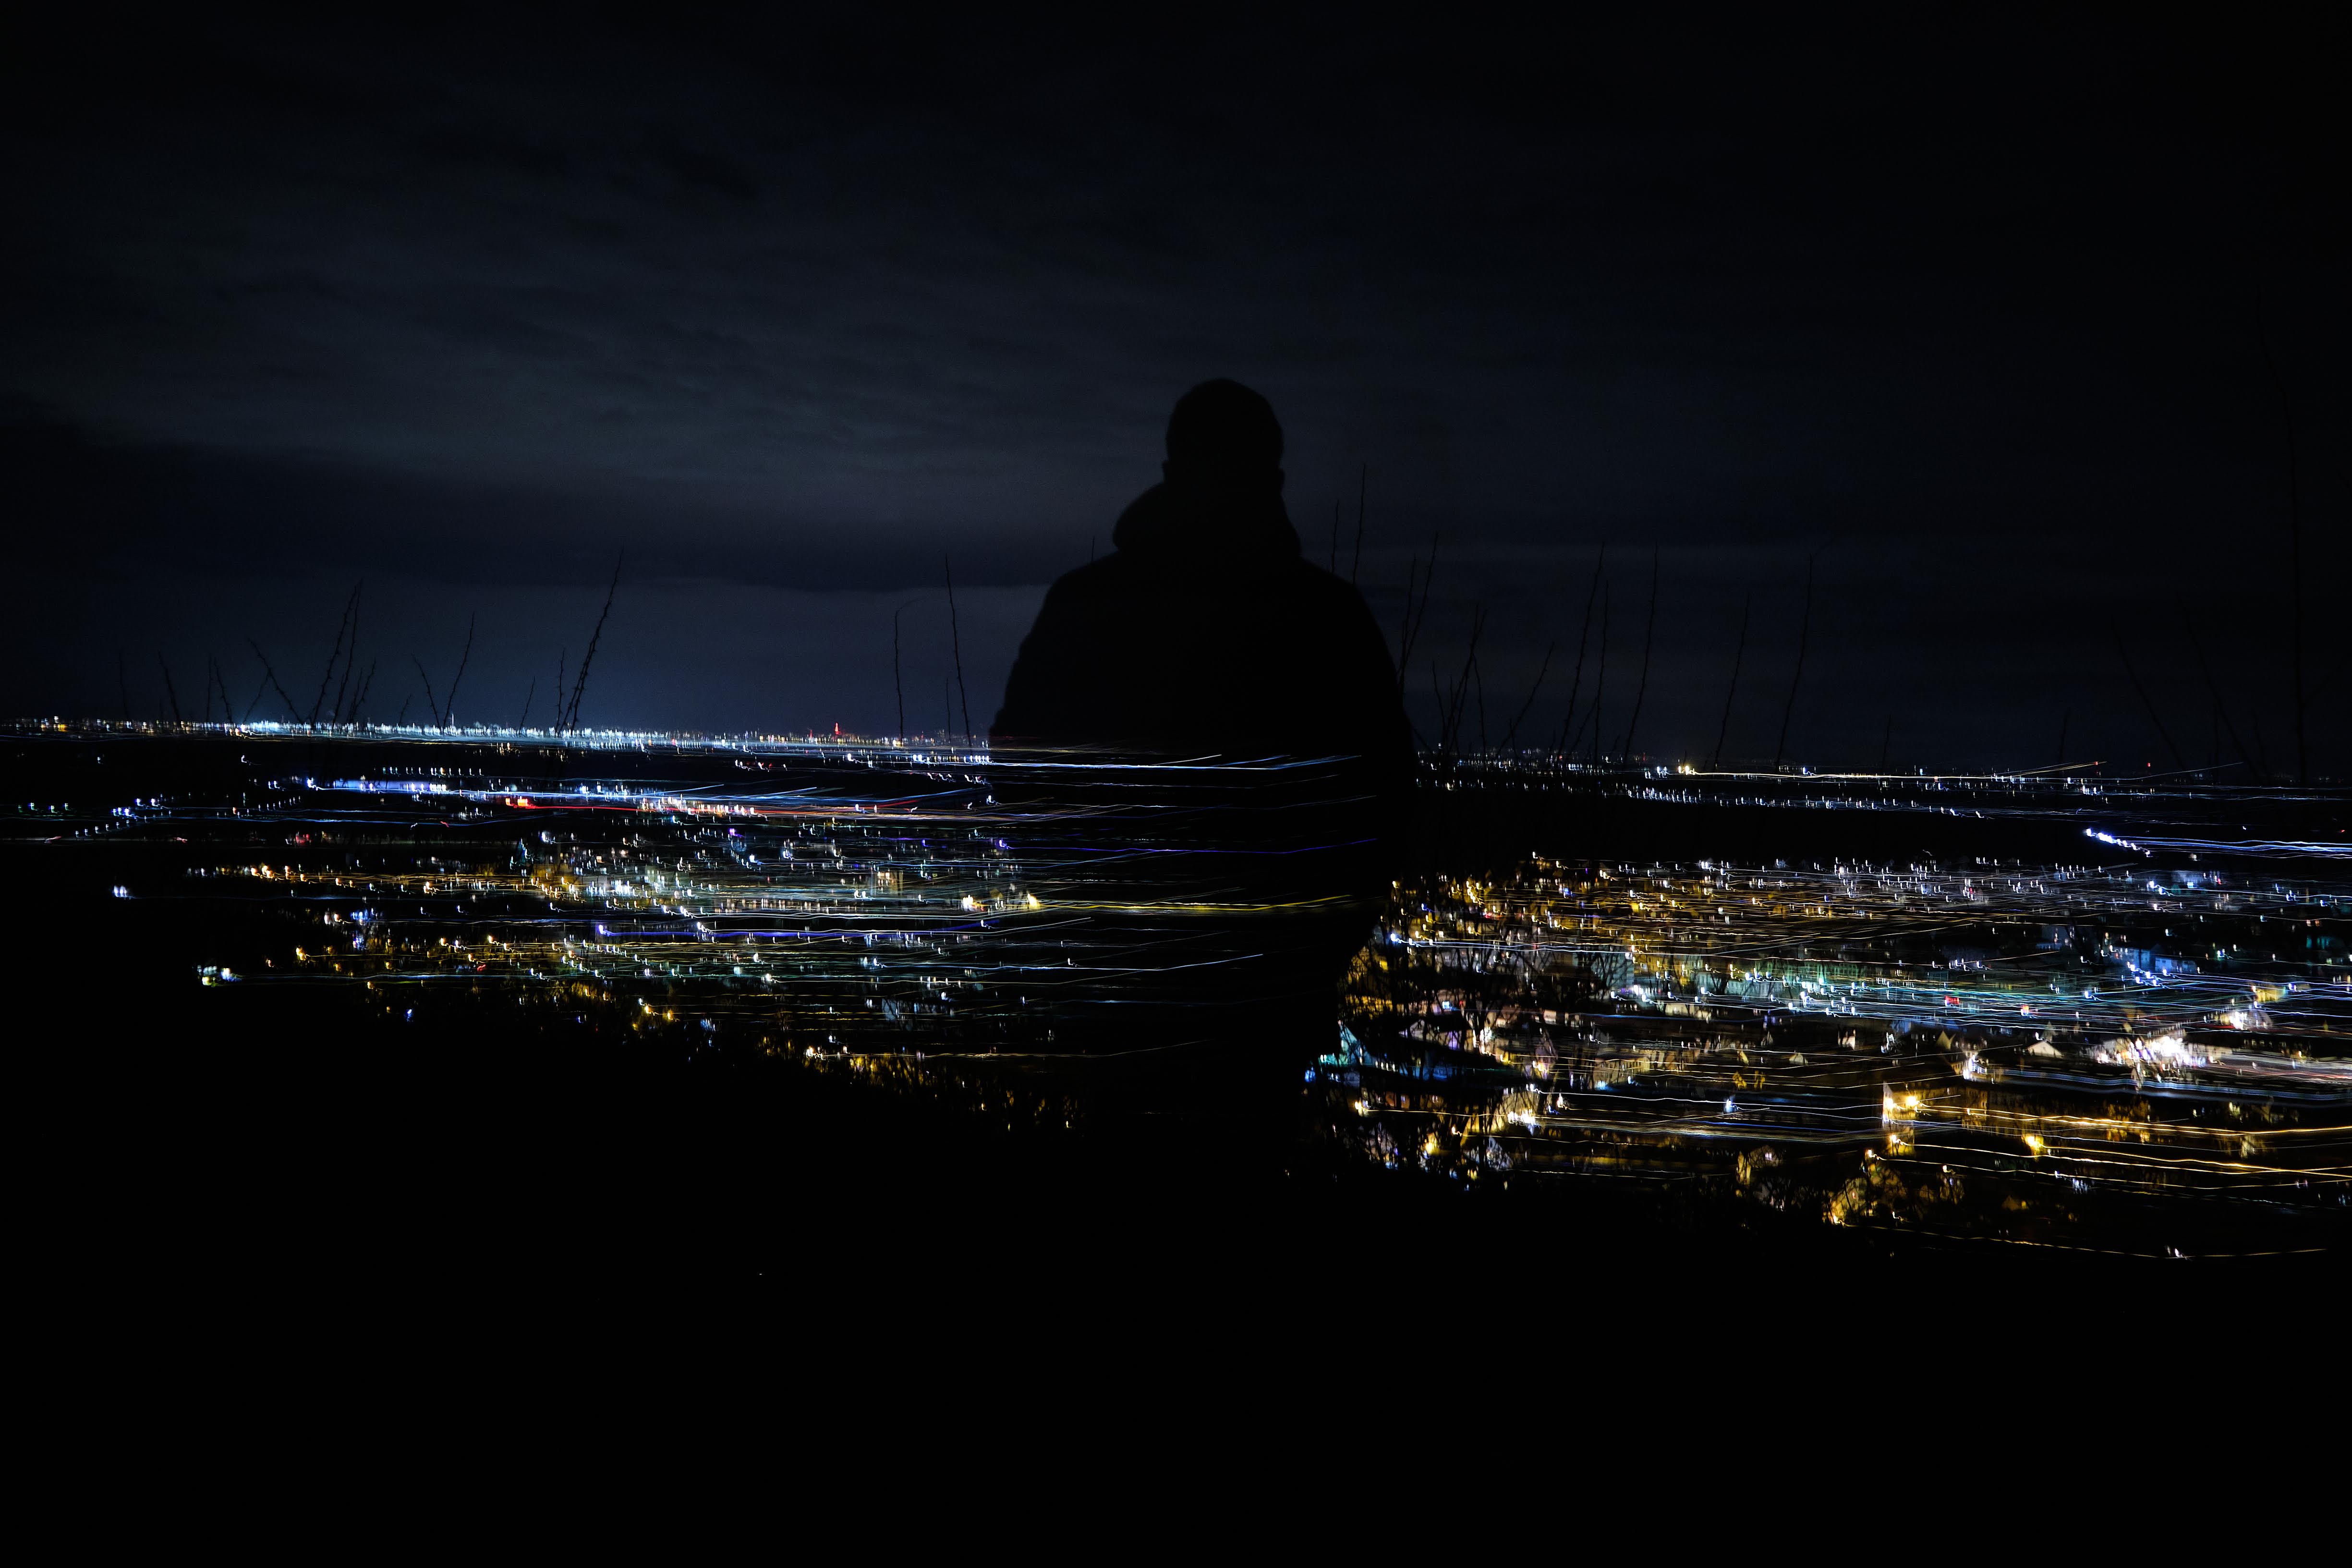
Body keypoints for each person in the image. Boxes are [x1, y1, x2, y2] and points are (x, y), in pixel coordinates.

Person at [991, 381, 1414, 1146]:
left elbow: (1022, 772)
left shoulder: (1089, 605)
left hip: (1124, 987)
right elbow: (1381, 803)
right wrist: (1310, 950)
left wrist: (1086, 920)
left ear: (1170, 468)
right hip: (1263, 999)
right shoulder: (1326, 618)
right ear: (1272, 478)